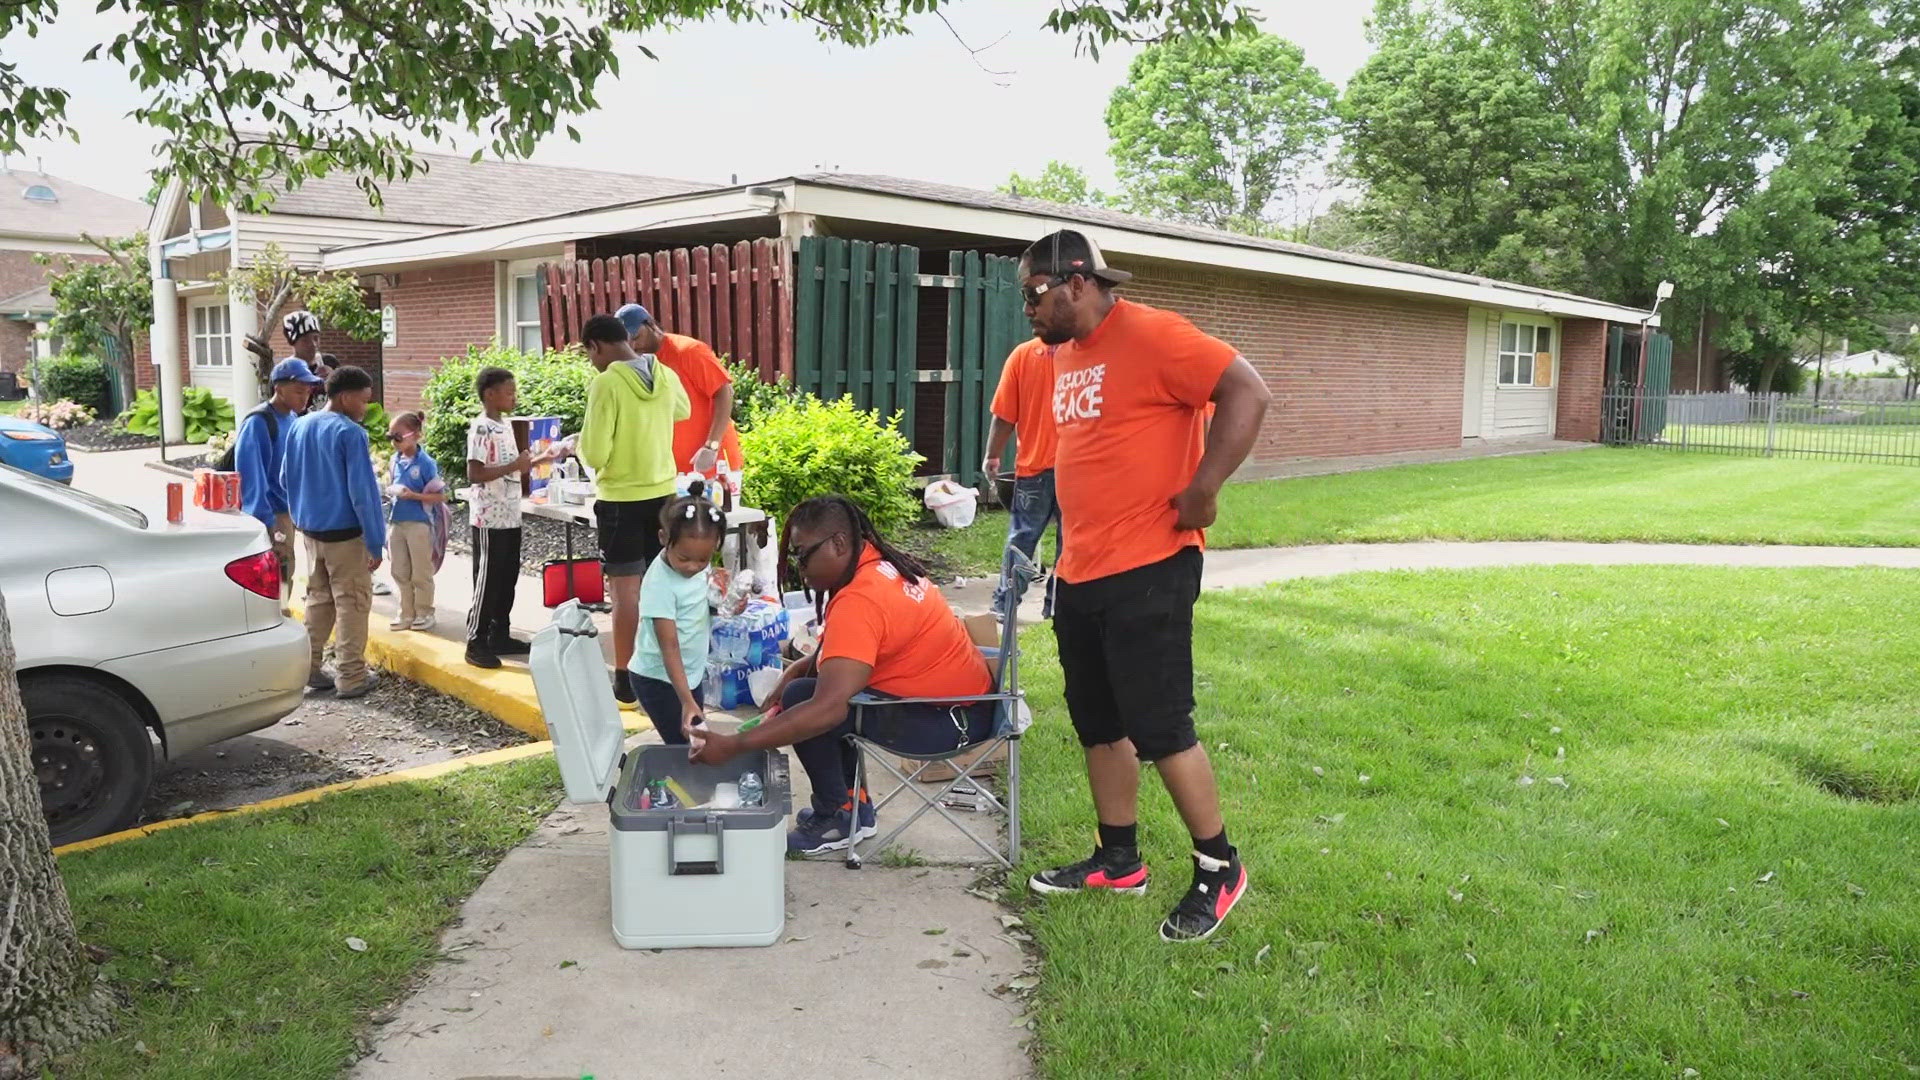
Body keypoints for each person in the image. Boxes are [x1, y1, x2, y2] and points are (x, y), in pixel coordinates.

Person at [1018, 229, 1272, 944]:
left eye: (1033, 295)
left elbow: (1248, 391)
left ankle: (1219, 865)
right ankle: (1119, 857)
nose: (1028, 311)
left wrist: (1205, 488)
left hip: (1151, 564)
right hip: (1082, 568)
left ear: (1076, 282)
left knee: (1161, 726)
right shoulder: (1061, 356)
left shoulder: (1157, 336)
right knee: (1098, 723)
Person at [690, 495, 995, 855]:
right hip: (969, 708)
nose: (799, 569)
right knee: (805, 688)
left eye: (803, 555)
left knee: (808, 703)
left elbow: (828, 709)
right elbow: (857, 644)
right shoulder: (878, 564)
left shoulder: (860, 599)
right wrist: (802, 665)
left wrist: (734, 746)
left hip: (946, 723)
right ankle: (853, 808)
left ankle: (838, 816)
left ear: (838, 543)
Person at [578, 313, 690, 706]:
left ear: (596, 346)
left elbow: (594, 452)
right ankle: (665, 673)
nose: (591, 361)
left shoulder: (606, 383)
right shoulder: (664, 375)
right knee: (663, 589)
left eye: (588, 353)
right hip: (664, 497)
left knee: (626, 594)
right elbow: (684, 411)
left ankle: (625, 678)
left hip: (621, 500)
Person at [280, 364, 388, 700]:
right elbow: (363, 494)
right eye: (363, 400)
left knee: (318, 600)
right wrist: (375, 541)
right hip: (346, 535)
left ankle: (309, 668)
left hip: (310, 531)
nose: (366, 409)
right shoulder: (350, 433)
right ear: (344, 397)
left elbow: (285, 479)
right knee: (353, 603)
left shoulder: (300, 426)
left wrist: (302, 512)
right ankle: (351, 676)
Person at [464, 366, 551, 669]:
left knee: (507, 576)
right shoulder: (482, 427)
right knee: (487, 580)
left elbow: (513, 467)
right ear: (490, 395)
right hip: (490, 516)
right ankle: (476, 640)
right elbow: (475, 473)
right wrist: (516, 464)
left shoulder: (504, 425)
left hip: (511, 514)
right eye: (509, 392)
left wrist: (541, 459)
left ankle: (499, 633)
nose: (514, 397)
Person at [632, 481, 726, 745]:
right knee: (686, 747)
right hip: (659, 679)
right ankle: (676, 785)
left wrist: (723, 601)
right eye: (685, 558)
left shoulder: (695, 564)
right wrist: (686, 701)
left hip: (688, 673)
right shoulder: (659, 584)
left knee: (696, 743)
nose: (694, 567)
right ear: (663, 538)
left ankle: (690, 783)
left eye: (703, 560)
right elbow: (669, 645)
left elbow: (702, 603)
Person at [233, 357, 323, 611]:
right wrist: (267, 522)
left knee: (286, 571)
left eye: (307, 391)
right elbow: (251, 476)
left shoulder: (293, 419)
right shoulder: (259, 422)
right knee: (272, 572)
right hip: (271, 515)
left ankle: (280, 615)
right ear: (278, 389)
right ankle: (271, 619)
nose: (304, 397)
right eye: (298, 391)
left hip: (289, 512)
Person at [616, 303, 744, 477]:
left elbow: (724, 391)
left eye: (636, 337)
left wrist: (711, 446)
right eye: (626, 342)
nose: (633, 346)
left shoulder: (688, 351)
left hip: (713, 466)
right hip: (671, 472)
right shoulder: (638, 364)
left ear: (651, 325)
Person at [982, 337, 1061, 618]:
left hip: (1033, 469)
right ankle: (1058, 608)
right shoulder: (1084, 354)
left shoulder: (1022, 355)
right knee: (1072, 544)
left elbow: (1004, 415)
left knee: (1021, 539)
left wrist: (992, 455)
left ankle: (1004, 605)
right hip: (1077, 470)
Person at [384, 410, 444, 632]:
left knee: (421, 571)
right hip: (397, 521)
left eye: (398, 437)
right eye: (390, 437)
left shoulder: (426, 463)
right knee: (398, 569)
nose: (394, 443)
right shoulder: (394, 461)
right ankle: (406, 612)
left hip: (419, 522)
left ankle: (425, 611)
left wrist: (414, 496)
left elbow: (440, 496)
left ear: (416, 435)